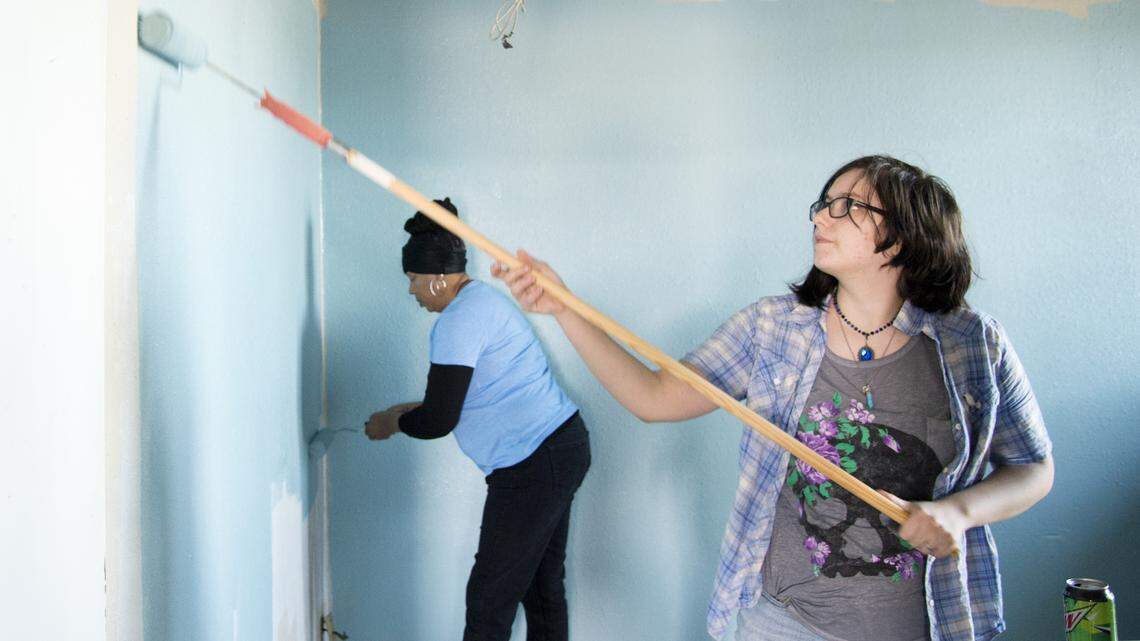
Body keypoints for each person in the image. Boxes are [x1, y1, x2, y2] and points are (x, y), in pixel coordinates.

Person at [491, 156, 1053, 641]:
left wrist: (957, 512)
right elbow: (654, 397)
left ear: (903, 237)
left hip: (929, 623)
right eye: (822, 203)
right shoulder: (772, 329)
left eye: (847, 206)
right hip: (781, 621)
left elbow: (1033, 468)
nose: (819, 217)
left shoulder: (972, 345)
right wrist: (564, 307)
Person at [366, 198, 591, 641]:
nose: (411, 291)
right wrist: (401, 412)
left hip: (533, 463)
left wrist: (392, 424)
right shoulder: (481, 303)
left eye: (413, 280)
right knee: (542, 591)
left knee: (489, 601)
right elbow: (458, 398)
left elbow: (438, 419)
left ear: (434, 279)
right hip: (560, 448)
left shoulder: (458, 320)